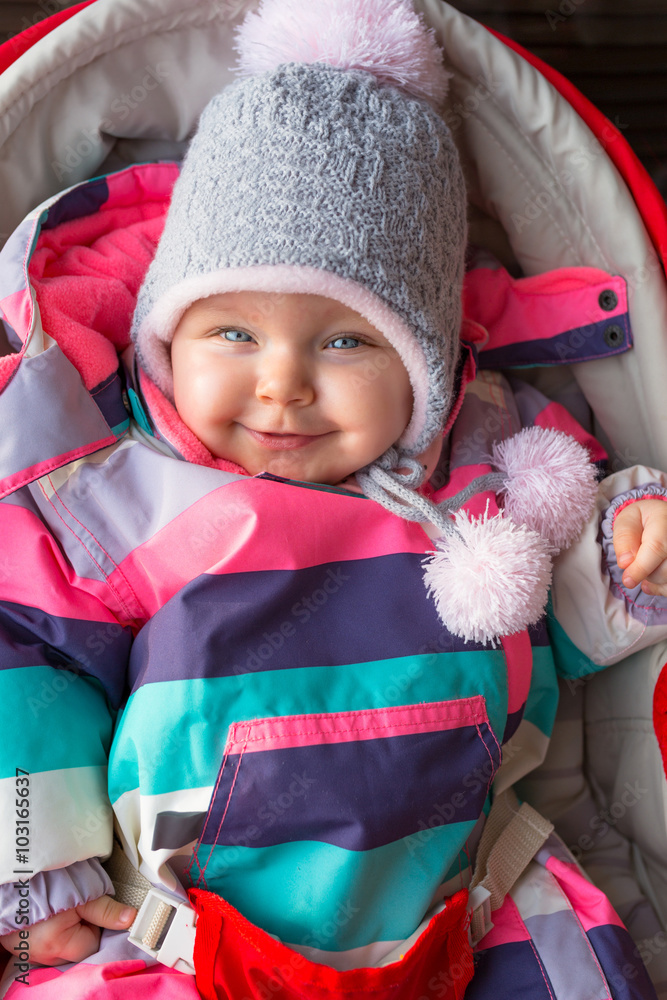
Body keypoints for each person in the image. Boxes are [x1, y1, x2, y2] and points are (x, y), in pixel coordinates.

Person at [0, 0, 665, 996]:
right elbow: (27, 659)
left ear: (427, 370)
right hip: (172, 939)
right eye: (231, 333)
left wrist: (623, 558)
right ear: (164, 340)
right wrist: (35, 865)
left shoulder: (480, 487)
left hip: (466, 920)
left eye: (346, 340)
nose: (281, 382)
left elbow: (546, 633)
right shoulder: (119, 492)